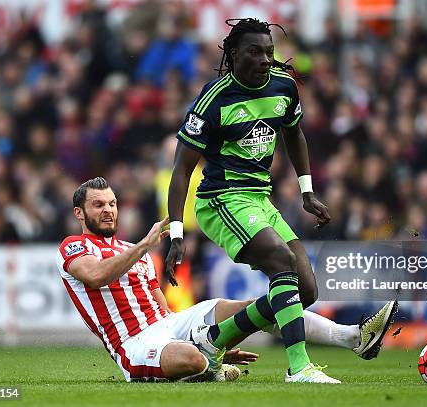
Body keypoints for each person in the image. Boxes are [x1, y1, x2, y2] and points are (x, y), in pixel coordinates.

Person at [165, 18, 397, 384]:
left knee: (304, 290)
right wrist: (177, 232)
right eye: (255, 52)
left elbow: (295, 135)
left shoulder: (284, 87)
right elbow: (180, 171)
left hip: (259, 198)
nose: (264, 59)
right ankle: (299, 367)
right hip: (221, 201)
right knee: (281, 260)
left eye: (269, 52)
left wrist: (306, 190)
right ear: (234, 53)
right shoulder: (213, 99)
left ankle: (212, 341)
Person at [57, 177, 396, 383]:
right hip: (132, 344)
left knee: (245, 309)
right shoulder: (73, 246)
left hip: (172, 324)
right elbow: (97, 276)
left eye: (113, 203)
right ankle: (204, 361)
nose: (108, 210)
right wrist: (146, 244)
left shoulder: (135, 251)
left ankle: (353, 337)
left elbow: (160, 306)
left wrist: (220, 338)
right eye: (99, 204)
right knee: (190, 359)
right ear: (79, 213)